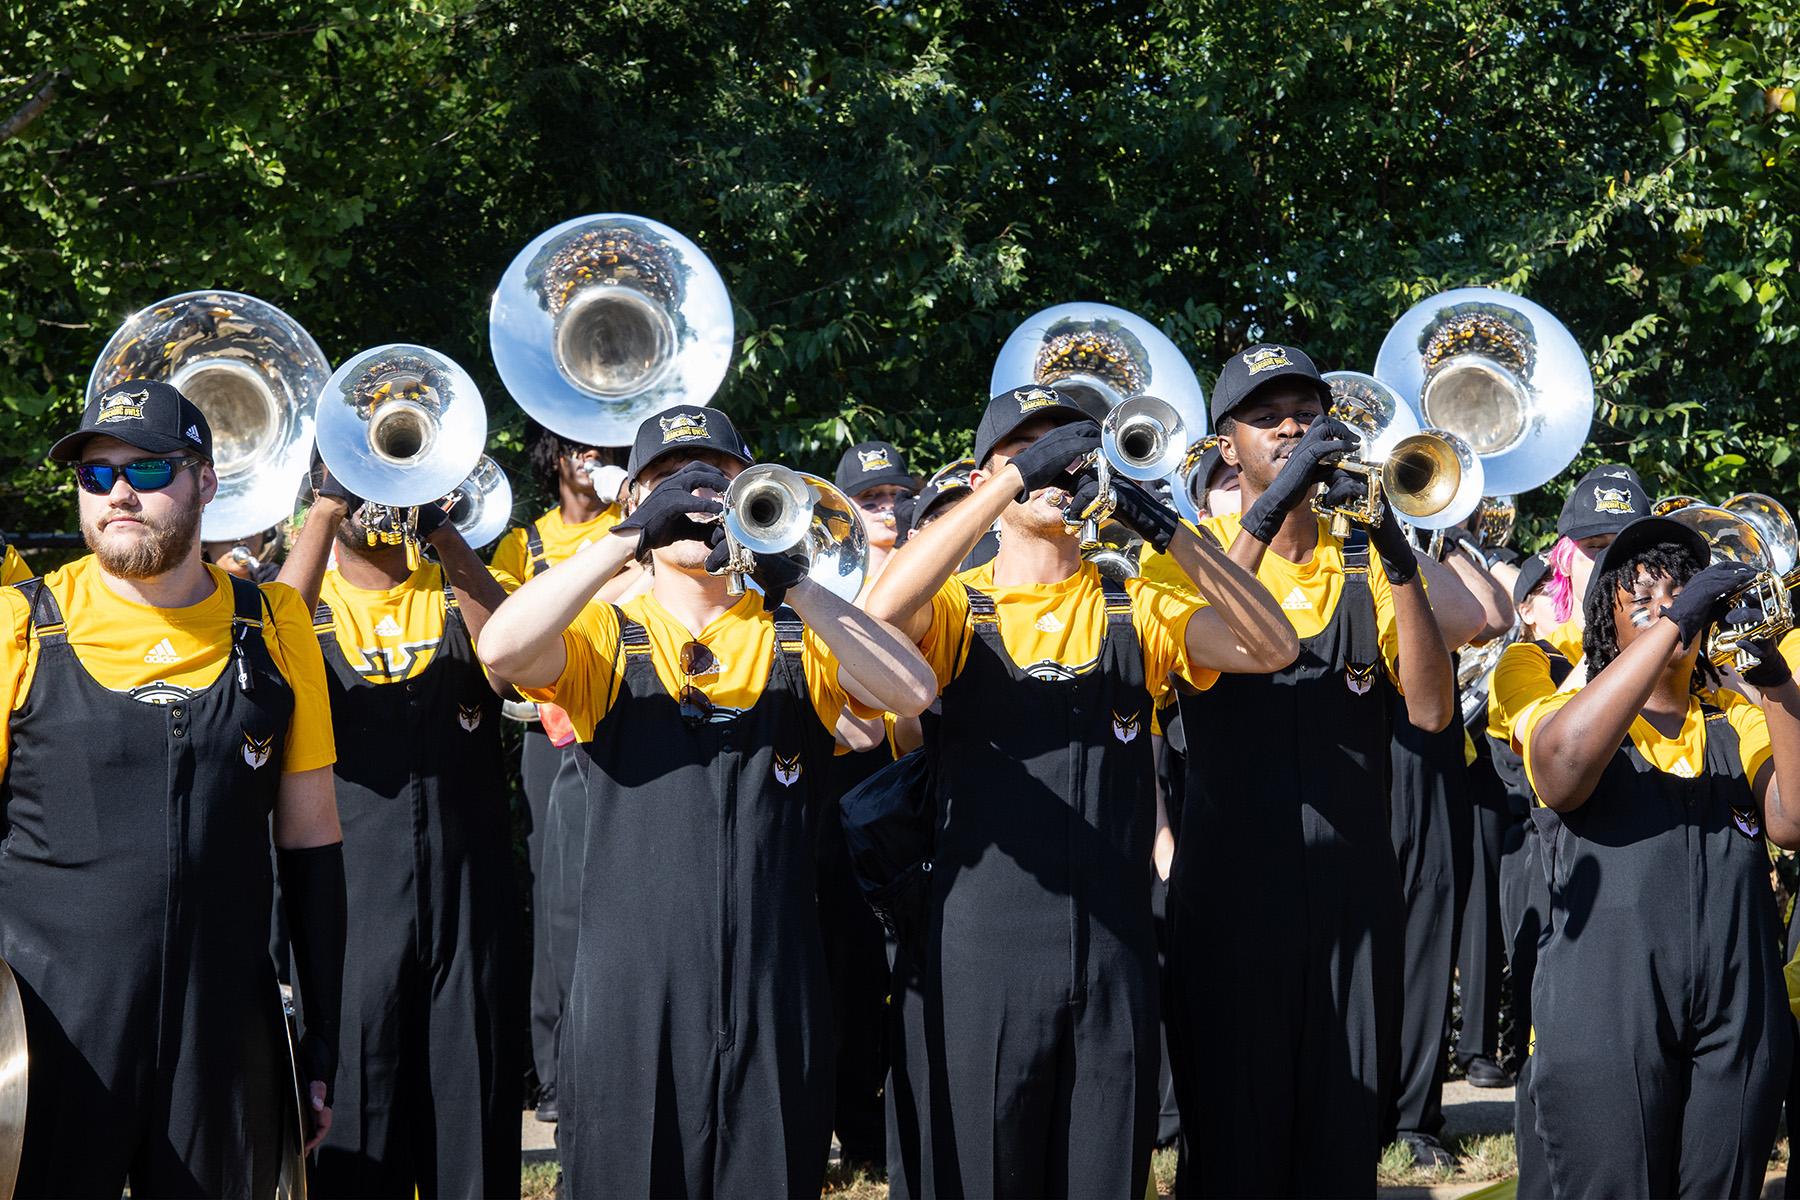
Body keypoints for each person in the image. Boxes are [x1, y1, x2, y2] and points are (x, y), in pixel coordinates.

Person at [478, 404, 936, 1198]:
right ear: (640, 503)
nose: (692, 496)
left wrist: (788, 576)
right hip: (632, 996)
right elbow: (503, 647)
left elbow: (910, 690)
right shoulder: (605, 635)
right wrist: (628, 539)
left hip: (774, 983)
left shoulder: (795, 630)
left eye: (713, 479)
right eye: (667, 481)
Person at [864, 384, 1299, 1199]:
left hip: (1114, 955)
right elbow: (878, 611)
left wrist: (1163, 524)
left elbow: (1271, 646)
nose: (1054, 464)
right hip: (979, 954)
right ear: (989, 471)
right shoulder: (960, 605)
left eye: (1067, 447)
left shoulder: (1137, 602)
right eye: (1029, 448)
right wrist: (1008, 483)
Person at [1146, 344, 1482, 1197]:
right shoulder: (1184, 553)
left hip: (1350, 897)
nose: (1292, 425)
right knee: (1230, 1145)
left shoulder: (1364, 560)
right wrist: (1273, 514)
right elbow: (1214, 642)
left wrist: (1390, 540)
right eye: (1266, 416)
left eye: (1305, 410)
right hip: (1228, 897)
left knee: (1339, 1146)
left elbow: (1436, 704)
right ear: (1227, 447)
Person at [0, 380, 344, 1196]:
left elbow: (313, 844)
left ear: (206, 481)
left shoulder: (276, 628)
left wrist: (320, 1044)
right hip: (50, 1039)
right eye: (95, 475)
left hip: (225, 1035)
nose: (118, 492)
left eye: (149, 470)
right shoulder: (19, 623)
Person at [1519, 514, 1800, 1197]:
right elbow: (1560, 771)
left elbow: (1791, 823)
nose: (1666, 607)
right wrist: (1676, 623)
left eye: (1681, 592)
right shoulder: (1567, 707)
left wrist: (1777, 683)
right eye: (1640, 599)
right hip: (1606, 1014)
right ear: (1605, 623)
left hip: (1739, 1009)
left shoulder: (1732, 718)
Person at [276, 468, 523, 1198]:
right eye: (352, 474)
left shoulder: (463, 581)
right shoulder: (298, 601)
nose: (371, 491)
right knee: (356, 1138)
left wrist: (442, 531)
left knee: (473, 1130)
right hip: (350, 915)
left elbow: (513, 668)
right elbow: (263, 654)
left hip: (470, 908)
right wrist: (324, 512)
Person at [1484, 465, 1651, 1194]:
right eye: (1592, 546)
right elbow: (1543, 769)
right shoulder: (1538, 654)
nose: (1607, 563)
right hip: (1557, 869)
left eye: (1626, 547)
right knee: (1557, 1064)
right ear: (1561, 555)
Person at [489, 421, 625, 1122]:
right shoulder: (527, 541)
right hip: (554, 731)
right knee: (558, 891)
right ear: (553, 456)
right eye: (576, 445)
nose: (590, 456)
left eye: (600, 445)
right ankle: (553, 1071)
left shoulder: (636, 518)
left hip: (627, 715)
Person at [815, 438, 926, 1171]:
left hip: (908, 786)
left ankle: (895, 1125)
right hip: (844, 786)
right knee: (850, 967)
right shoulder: (832, 580)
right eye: (872, 499)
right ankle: (857, 1129)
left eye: (895, 496)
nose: (888, 510)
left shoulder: (927, 580)